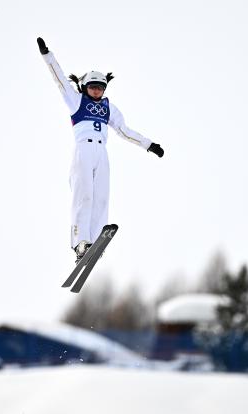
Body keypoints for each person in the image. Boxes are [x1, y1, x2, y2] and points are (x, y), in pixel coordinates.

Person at [37, 37, 164, 263]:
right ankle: (80, 243)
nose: (96, 91)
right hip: (83, 152)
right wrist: (48, 56)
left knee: (101, 198)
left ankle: (95, 240)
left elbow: (124, 131)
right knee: (83, 196)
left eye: (100, 87)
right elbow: (59, 80)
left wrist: (149, 145)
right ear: (85, 87)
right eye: (93, 87)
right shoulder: (76, 101)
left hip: (101, 153)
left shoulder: (108, 108)